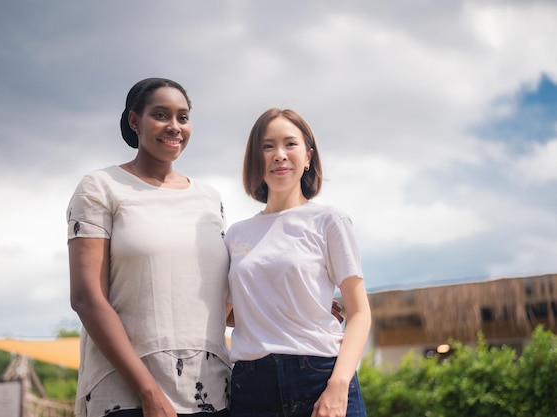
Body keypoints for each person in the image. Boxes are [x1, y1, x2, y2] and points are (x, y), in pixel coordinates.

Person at [67, 78, 231, 417]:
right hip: (127, 396)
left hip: (213, 395)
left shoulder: (209, 199)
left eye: (183, 117)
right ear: (134, 121)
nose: (174, 126)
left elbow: (218, 303)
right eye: (161, 115)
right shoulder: (101, 187)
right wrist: (149, 392)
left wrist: (302, 306)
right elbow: (86, 298)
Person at [224, 108, 372, 417]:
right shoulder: (236, 235)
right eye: (267, 146)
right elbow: (228, 313)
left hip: (319, 375)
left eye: (290, 144)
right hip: (250, 387)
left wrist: (338, 384)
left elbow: (359, 313)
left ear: (308, 157)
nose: (279, 155)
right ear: (255, 159)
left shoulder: (330, 221)